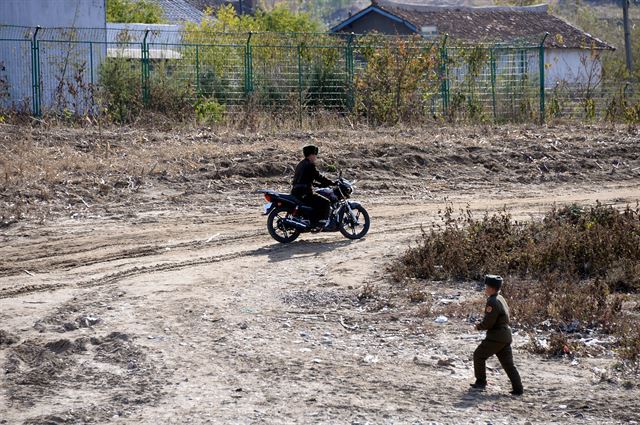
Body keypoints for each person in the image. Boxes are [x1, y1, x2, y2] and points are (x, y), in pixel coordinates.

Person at [471, 274, 524, 396]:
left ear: (491, 288)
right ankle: (518, 389)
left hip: (496, 337)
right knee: (508, 364)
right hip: (505, 335)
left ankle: (481, 381)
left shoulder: (492, 301)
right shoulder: (500, 298)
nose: (485, 288)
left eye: (486, 286)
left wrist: (479, 326)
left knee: (478, 355)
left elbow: (489, 322)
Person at [291, 145, 335, 228]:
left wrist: (316, 184)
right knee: (326, 202)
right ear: (311, 155)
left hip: (296, 191)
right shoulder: (310, 165)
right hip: (305, 192)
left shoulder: (300, 164)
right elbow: (318, 177)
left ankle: (313, 219)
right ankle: (323, 222)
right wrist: (331, 182)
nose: (316, 157)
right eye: (315, 155)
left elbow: (306, 178)